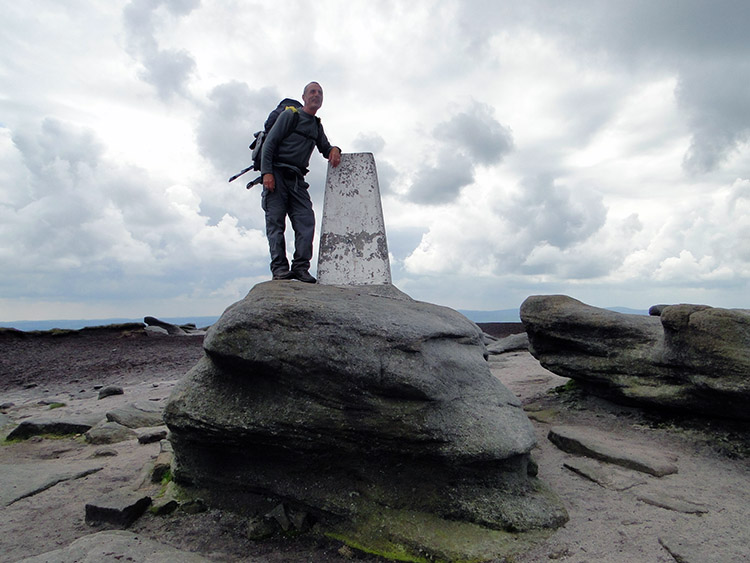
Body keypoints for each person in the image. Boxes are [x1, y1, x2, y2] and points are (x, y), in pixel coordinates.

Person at [260, 82, 341, 283]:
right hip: (277, 174)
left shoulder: (316, 125)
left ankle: (300, 268)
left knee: (306, 221)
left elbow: (325, 148)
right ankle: (279, 269)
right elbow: (270, 144)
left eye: (320, 93)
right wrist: (267, 173)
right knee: (276, 224)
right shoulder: (290, 115)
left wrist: (335, 149)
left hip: (297, 179)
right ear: (304, 97)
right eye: (312, 92)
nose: (316, 95)